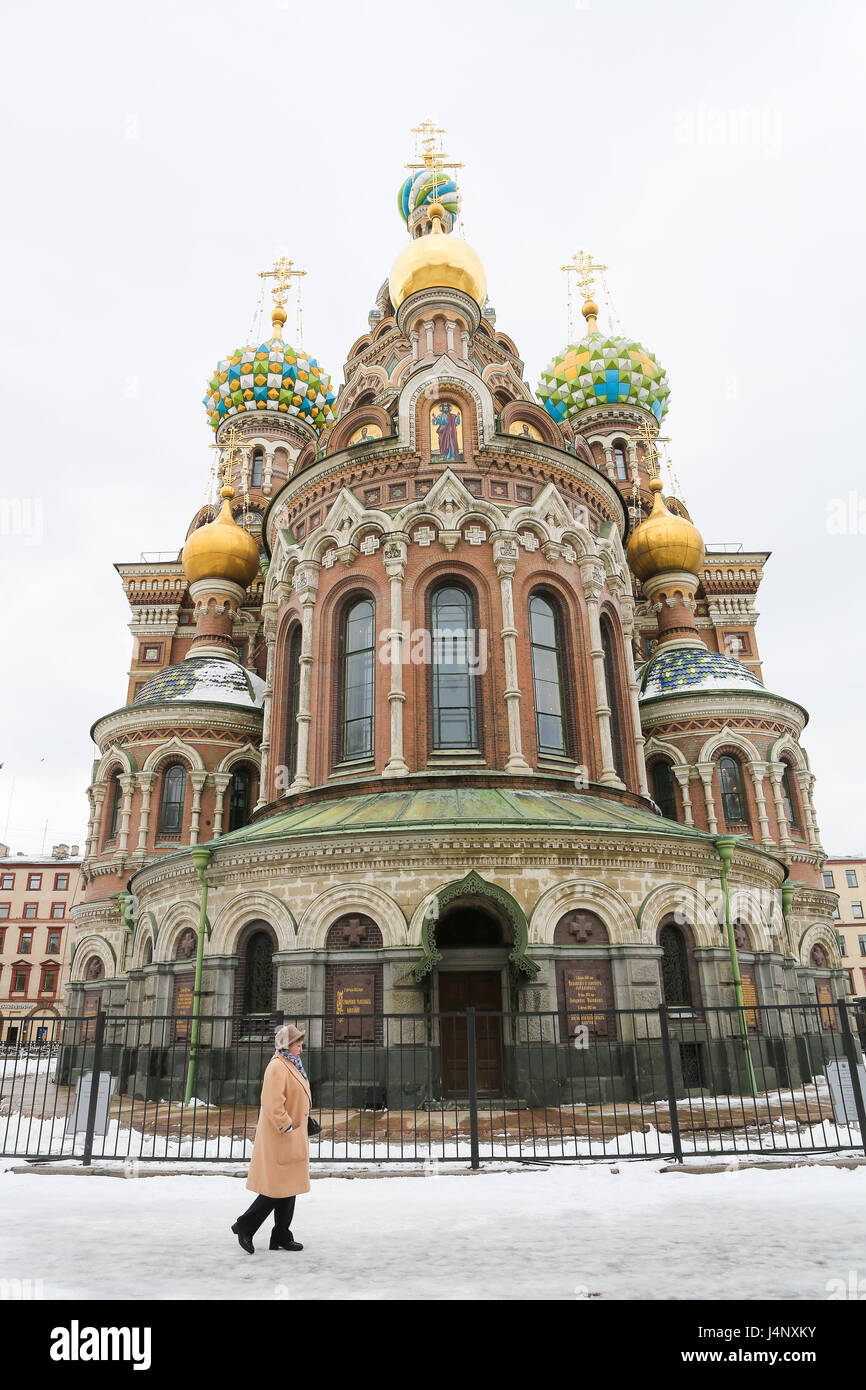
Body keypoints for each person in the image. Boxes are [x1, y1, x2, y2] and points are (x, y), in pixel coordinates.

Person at [231, 1023, 311, 1254]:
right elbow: (272, 1103)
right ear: (287, 1045)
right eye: (298, 1044)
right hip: (281, 1136)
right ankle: (245, 1226)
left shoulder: (292, 1065)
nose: (301, 1049)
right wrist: (286, 1126)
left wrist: (305, 1119)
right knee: (276, 1189)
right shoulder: (277, 1067)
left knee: (289, 1186)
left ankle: (281, 1235)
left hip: (292, 1133)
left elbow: (295, 1097)